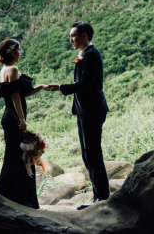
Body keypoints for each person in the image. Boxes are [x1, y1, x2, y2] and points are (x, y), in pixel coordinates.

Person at [46, 21, 109, 210]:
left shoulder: (91, 55)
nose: (71, 39)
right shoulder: (84, 54)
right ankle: (98, 195)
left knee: (93, 153)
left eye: (73, 35)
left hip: (92, 110)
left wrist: (60, 88)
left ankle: (101, 197)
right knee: (88, 153)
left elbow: (85, 84)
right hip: (84, 110)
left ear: (84, 36)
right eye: (70, 36)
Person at [0, 39, 47, 209]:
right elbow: (15, 97)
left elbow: (22, 95)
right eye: (19, 50)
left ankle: (14, 194)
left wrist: (41, 87)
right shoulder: (13, 69)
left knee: (17, 156)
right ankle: (16, 195)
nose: (20, 53)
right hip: (14, 118)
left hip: (9, 117)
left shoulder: (5, 69)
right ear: (12, 52)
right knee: (20, 157)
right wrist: (22, 120)